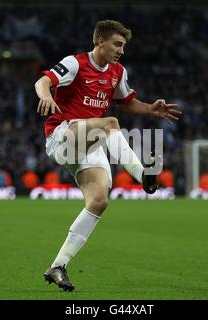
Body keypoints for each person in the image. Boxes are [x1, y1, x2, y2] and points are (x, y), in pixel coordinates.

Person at [34, 20, 181, 291]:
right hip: (63, 136)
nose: (121, 50)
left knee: (99, 201)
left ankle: (58, 266)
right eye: (117, 44)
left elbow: (127, 102)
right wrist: (46, 96)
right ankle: (142, 175)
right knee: (111, 123)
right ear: (100, 41)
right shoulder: (76, 63)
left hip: (89, 143)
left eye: (123, 46)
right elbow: (43, 81)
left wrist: (151, 109)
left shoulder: (117, 71)